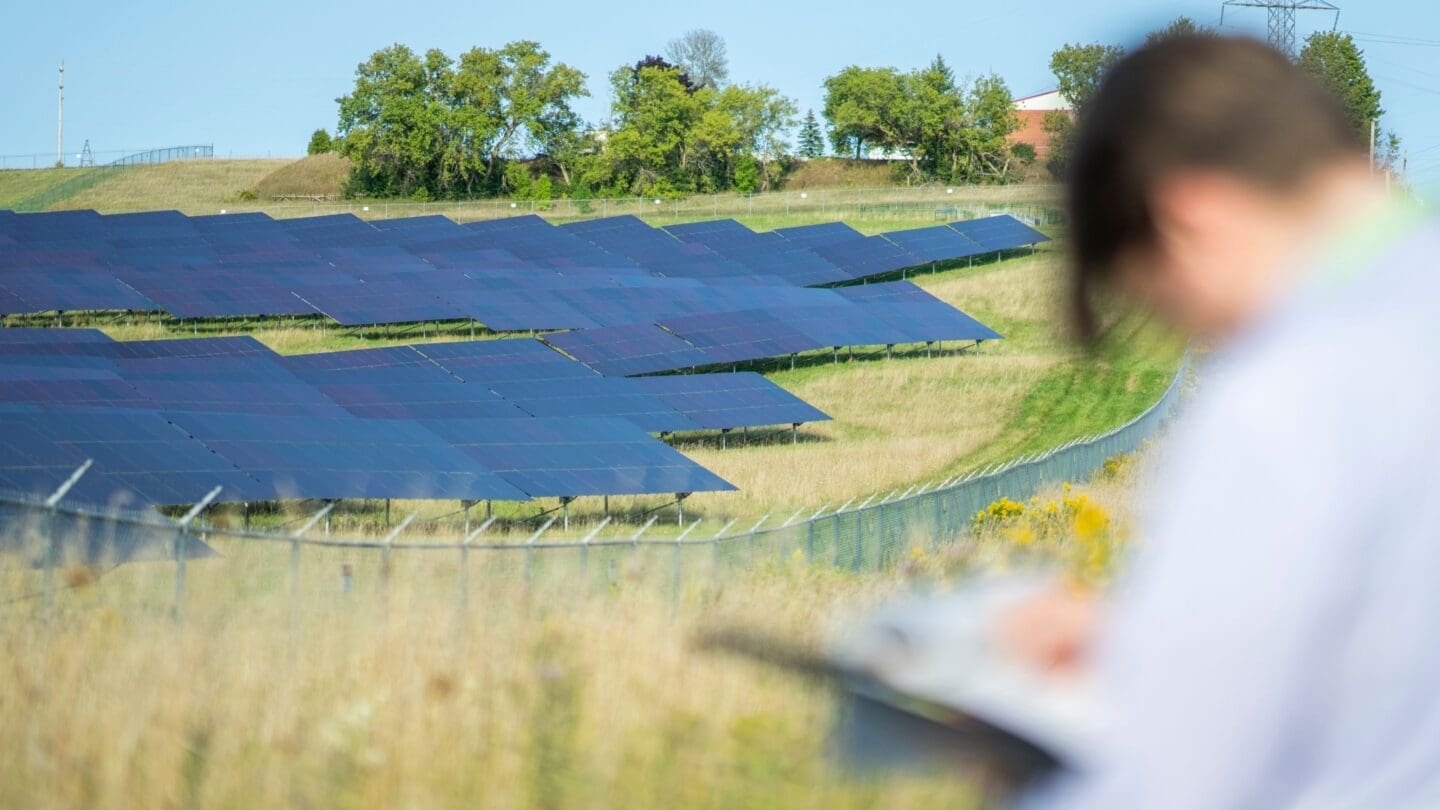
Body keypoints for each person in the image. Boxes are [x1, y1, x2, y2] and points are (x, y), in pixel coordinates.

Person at [1003, 35, 1440, 808]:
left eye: (1164, 303)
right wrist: (1157, 635)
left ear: (1187, 217)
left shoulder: (1288, 396)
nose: (1201, 339)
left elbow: (1165, 791)